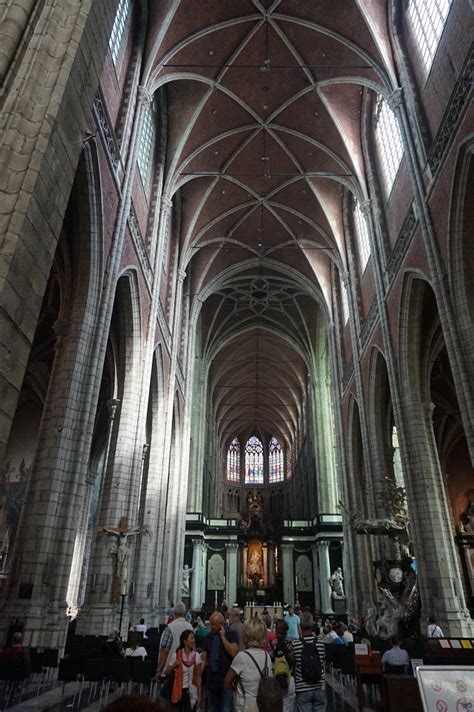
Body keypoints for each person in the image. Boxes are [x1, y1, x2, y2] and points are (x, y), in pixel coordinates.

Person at [224, 617, 274, 712]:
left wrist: (235, 687)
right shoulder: (266, 656)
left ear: (248, 635)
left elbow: (227, 682)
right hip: (262, 704)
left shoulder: (242, 656)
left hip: (245, 706)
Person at [200, 611, 238, 712]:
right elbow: (204, 658)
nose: (211, 627)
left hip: (226, 682)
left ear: (221, 624)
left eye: (213, 624)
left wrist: (223, 637)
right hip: (211, 681)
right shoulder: (208, 637)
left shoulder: (231, 634)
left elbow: (233, 652)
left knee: (225, 709)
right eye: (210, 624)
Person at [290, 612, 326, 711]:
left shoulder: (295, 644)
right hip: (319, 685)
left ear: (300, 626)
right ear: (313, 625)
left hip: (303, 687)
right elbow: (323, 659)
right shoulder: (320, 642)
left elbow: (293, 662)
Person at [164, 629, 202, 711]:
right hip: (178, 691)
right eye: (191, 638)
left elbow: (198, 678)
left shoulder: (197, 656)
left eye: (194, 638)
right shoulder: (176, 656)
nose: (194, 640)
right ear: (185, 641)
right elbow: (166, 672)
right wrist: (174, 665)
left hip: (192, 692)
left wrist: (199, 696)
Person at [155, 603, 193, 679]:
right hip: (187, 667)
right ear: (184, 613)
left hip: (171, 668)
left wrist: (159, 669)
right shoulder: (190, 627)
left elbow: (165, 650)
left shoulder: (170, 627)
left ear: (174, 613)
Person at [268, 619, 296, 712]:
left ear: (276, 630)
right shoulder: (289, 643)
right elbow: (293, 659)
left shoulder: (271, 643)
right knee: (288, 706)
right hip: (288, 677)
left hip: (275, 677)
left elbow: (269, 659)